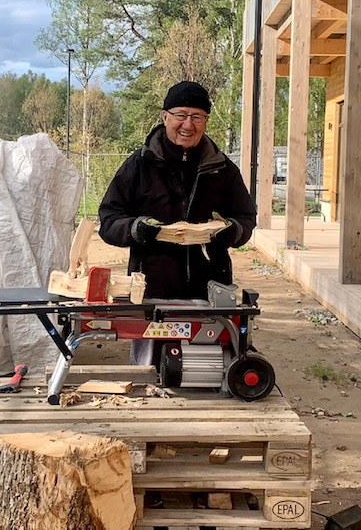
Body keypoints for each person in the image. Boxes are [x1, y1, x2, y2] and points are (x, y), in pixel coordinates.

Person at [98, 80, 257, 368]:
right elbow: (109, 220)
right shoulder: (140, 165)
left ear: (206, 121)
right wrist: (135, 229)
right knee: (151, 373)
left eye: (197, 116)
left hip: (209, 291)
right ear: (165, 117)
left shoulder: (222, 168)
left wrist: (232, 231)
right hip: (153, 290)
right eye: (181, 115)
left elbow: (246, 217)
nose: (188, 124)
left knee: (208, 370)